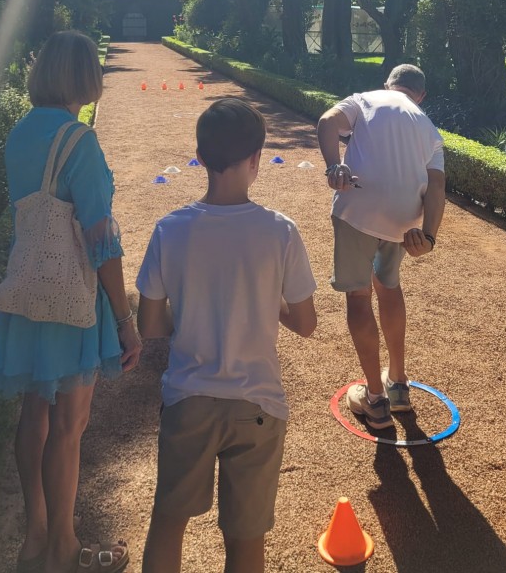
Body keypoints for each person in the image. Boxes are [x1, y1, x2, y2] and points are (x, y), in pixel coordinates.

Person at [137, 98, 317, 573]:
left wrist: (194, 312)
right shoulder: (280, 231)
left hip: (188, 399)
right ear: (256, 159)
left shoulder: (169, 229)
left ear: (200, 154)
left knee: (168, 520)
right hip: (257, 404)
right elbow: (305, 323)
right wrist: (263, 300)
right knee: (245, 539)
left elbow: (151, 325)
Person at [0, 31, 141, 573]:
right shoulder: (79, 140)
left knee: (35, 412)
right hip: (70, 293)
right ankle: (65, 548)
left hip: (27, 289)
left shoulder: (20, 133)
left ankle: (34, 538)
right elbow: (101, 238)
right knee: (70, 426)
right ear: (83, 77)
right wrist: (125, 318)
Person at [317, 63, 445, 429]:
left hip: (358, 208)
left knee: (359, 297)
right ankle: (399, 384)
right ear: (420, 95)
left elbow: (328, 121)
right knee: (388, 286)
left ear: (388, 85)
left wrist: (333, 167)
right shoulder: (429, 127)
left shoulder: (366, 98)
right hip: (402, 224)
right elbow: (436, 188)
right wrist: (430, 237)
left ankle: (375, 398)